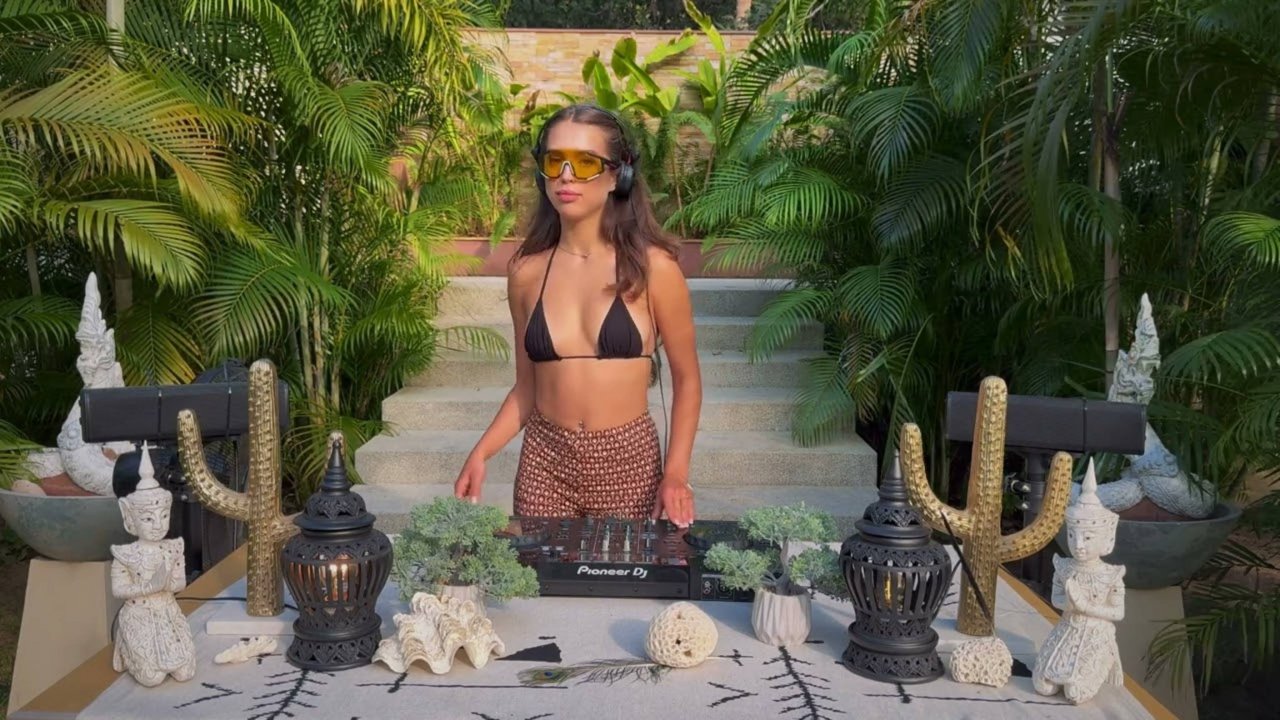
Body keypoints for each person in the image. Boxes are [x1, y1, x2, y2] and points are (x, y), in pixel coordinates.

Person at [453, 103, 701, 527]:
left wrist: (676, 474)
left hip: (629, 464)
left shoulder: (653, 268)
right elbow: (527, 388)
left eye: (585, 162)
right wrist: (481, 452)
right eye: (555, 161)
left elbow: (687, 380)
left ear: (617, 175)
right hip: (544, 462)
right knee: (536, 569)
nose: (566, 176)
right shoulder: (526, 272)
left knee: (624, 569)